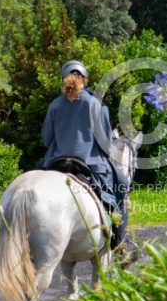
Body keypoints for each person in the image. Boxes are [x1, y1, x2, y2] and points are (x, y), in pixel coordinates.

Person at [41, 60, 130, 250]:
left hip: (56, 163)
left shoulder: (55, 105)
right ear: (85, 79)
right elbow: (106, 144)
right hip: (91, 165)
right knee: (122, 186)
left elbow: (46, 139)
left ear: (63, 80)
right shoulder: (95, 103)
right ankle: (118, 243)